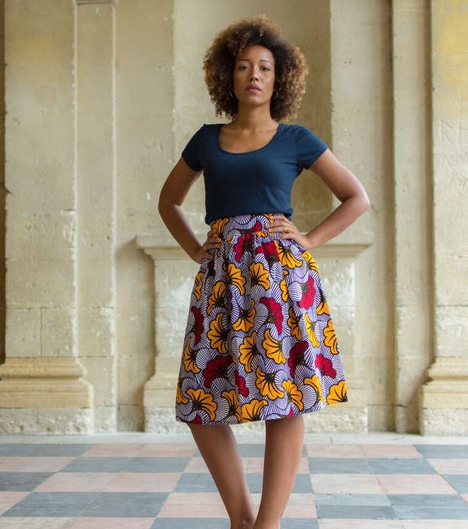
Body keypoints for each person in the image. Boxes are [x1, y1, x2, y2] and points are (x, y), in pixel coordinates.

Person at [158, 15, 370, 529]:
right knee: (201, 398)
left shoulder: (295, 138)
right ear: (228, 77)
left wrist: (310, 239)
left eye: (265, 67)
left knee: (285, 396)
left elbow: (356, 197)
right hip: (222, 281)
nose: (254, 75)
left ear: (280, 80)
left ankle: (267, 525)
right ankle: (241, 518)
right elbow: (169, 202)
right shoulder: (207, 140)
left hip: (280, 279)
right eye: (245, 66)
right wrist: (196, 250)